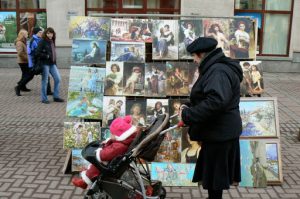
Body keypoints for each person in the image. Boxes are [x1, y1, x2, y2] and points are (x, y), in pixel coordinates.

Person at [179, 37, 243, 199]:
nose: (194, 60)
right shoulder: (215, 67)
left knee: (216, 179)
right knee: (215, 178)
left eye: (194, 56)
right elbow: (209, 96)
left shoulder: (218, 71)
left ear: (202, 54)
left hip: (220, 133)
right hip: (219, 131)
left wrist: (188, 115)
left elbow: (216, 101)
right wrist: (190, 104)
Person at [72, 115, 139, 189]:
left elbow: (106, 155)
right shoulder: (123, 141)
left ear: (119, 135)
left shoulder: (119, 147)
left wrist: (99, 153)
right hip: (112, 158)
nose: (111, 134)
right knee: (93, 165)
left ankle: (84, 182)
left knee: (94, 167)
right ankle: (87, 172)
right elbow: (113, 142)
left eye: (112, 133)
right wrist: (106, 142)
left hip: (107, 163)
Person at [35, 27, 64, 104]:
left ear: (53, 34)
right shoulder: (42, 41)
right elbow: (37, 53)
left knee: (58, 79)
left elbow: (53, 53)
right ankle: (44, 98)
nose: (50, 35)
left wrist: (55, 63)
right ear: (45, 34)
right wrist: (46, 56)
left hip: (52, 64)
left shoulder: (52, 41)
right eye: (48, 33)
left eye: (51, 33)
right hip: (45, 64)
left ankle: (56, 96)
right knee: (45, 81)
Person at [27, 27, 53, 95]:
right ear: (36, 33)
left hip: (41, 60)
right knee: (29, 76)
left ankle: (48, 91)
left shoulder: (40, 39)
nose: (41, 33)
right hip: (36, 62)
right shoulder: (33, 40)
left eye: (42, 32)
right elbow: (31, 52)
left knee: (46, 75)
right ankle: (19, 86)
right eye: (40, 32)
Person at [14, 29, 31, 96]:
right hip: (22, 61)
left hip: (25, 61)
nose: (27, 35)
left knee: (25, 74)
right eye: (26, 34)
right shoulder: (19, 42)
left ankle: (23, 87)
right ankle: (19, 86)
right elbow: (20, 53)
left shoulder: (23, 41)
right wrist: (28, 59)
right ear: (23, 35)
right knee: (28, 75)